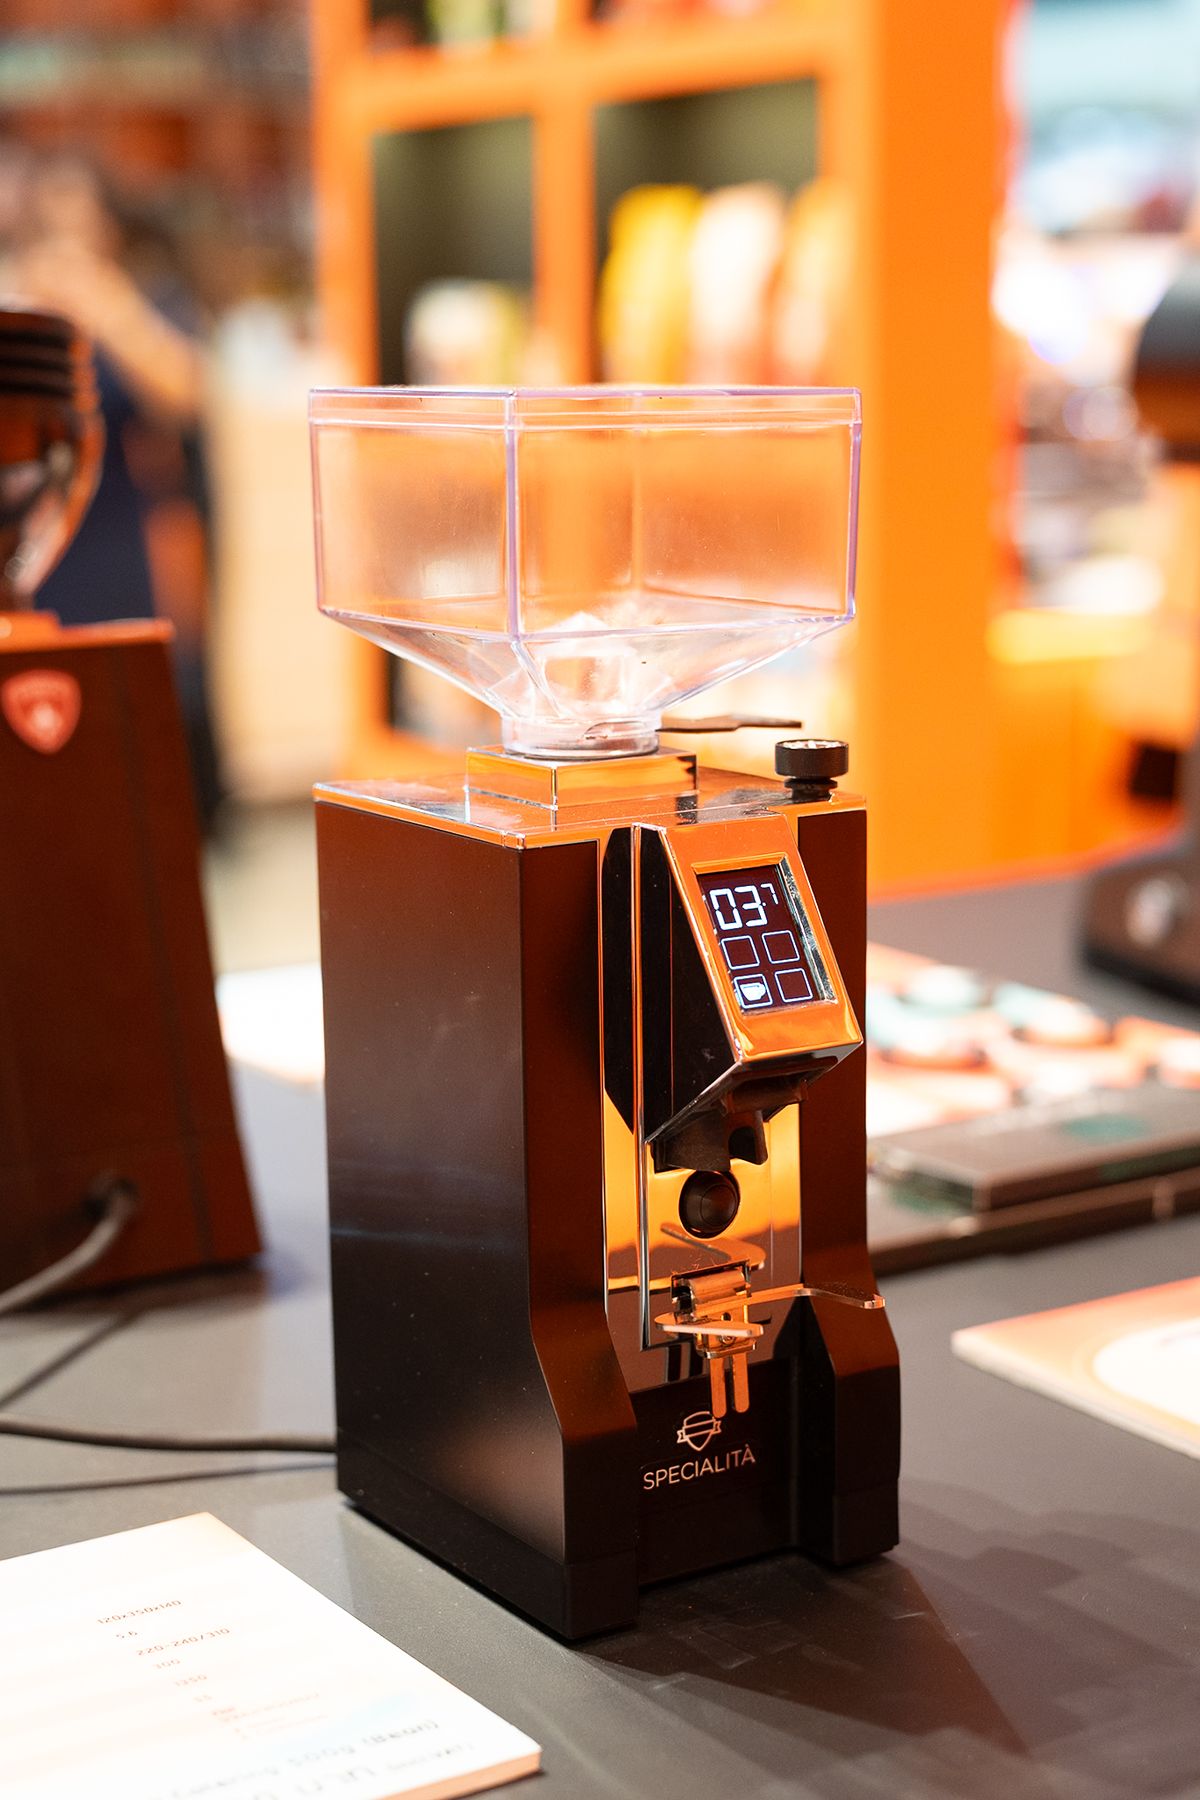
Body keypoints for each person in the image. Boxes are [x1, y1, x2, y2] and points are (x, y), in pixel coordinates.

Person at [0, 149, 223, 826]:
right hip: (34, 536)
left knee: (128, 707)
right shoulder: (21, 312)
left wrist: (104, 304)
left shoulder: (142, 299)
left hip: (125, 534)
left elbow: (188, 394)